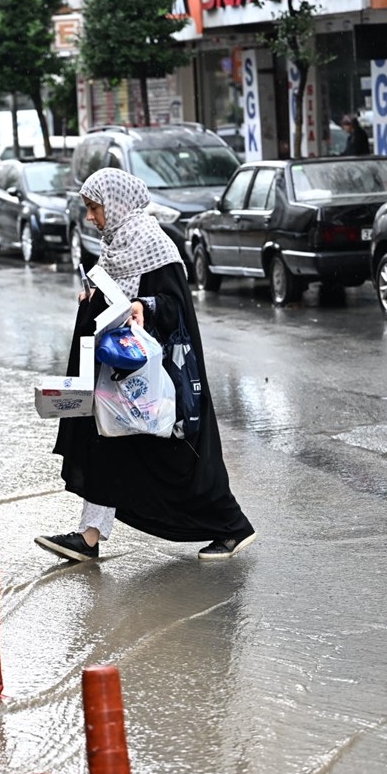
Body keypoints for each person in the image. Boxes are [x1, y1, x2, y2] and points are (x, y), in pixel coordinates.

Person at [35, 168, 257, 562]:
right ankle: (89, 537)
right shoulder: (114, 246)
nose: (90, 217)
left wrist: (145, 306)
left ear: (117, 204)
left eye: (95, 208)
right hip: (119, 376)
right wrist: (94, 299)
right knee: (105, 446)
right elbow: (116, 296)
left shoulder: (155, 244)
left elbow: (176, 307)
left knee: (177, 461)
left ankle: (232, 526)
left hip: (156, 381)